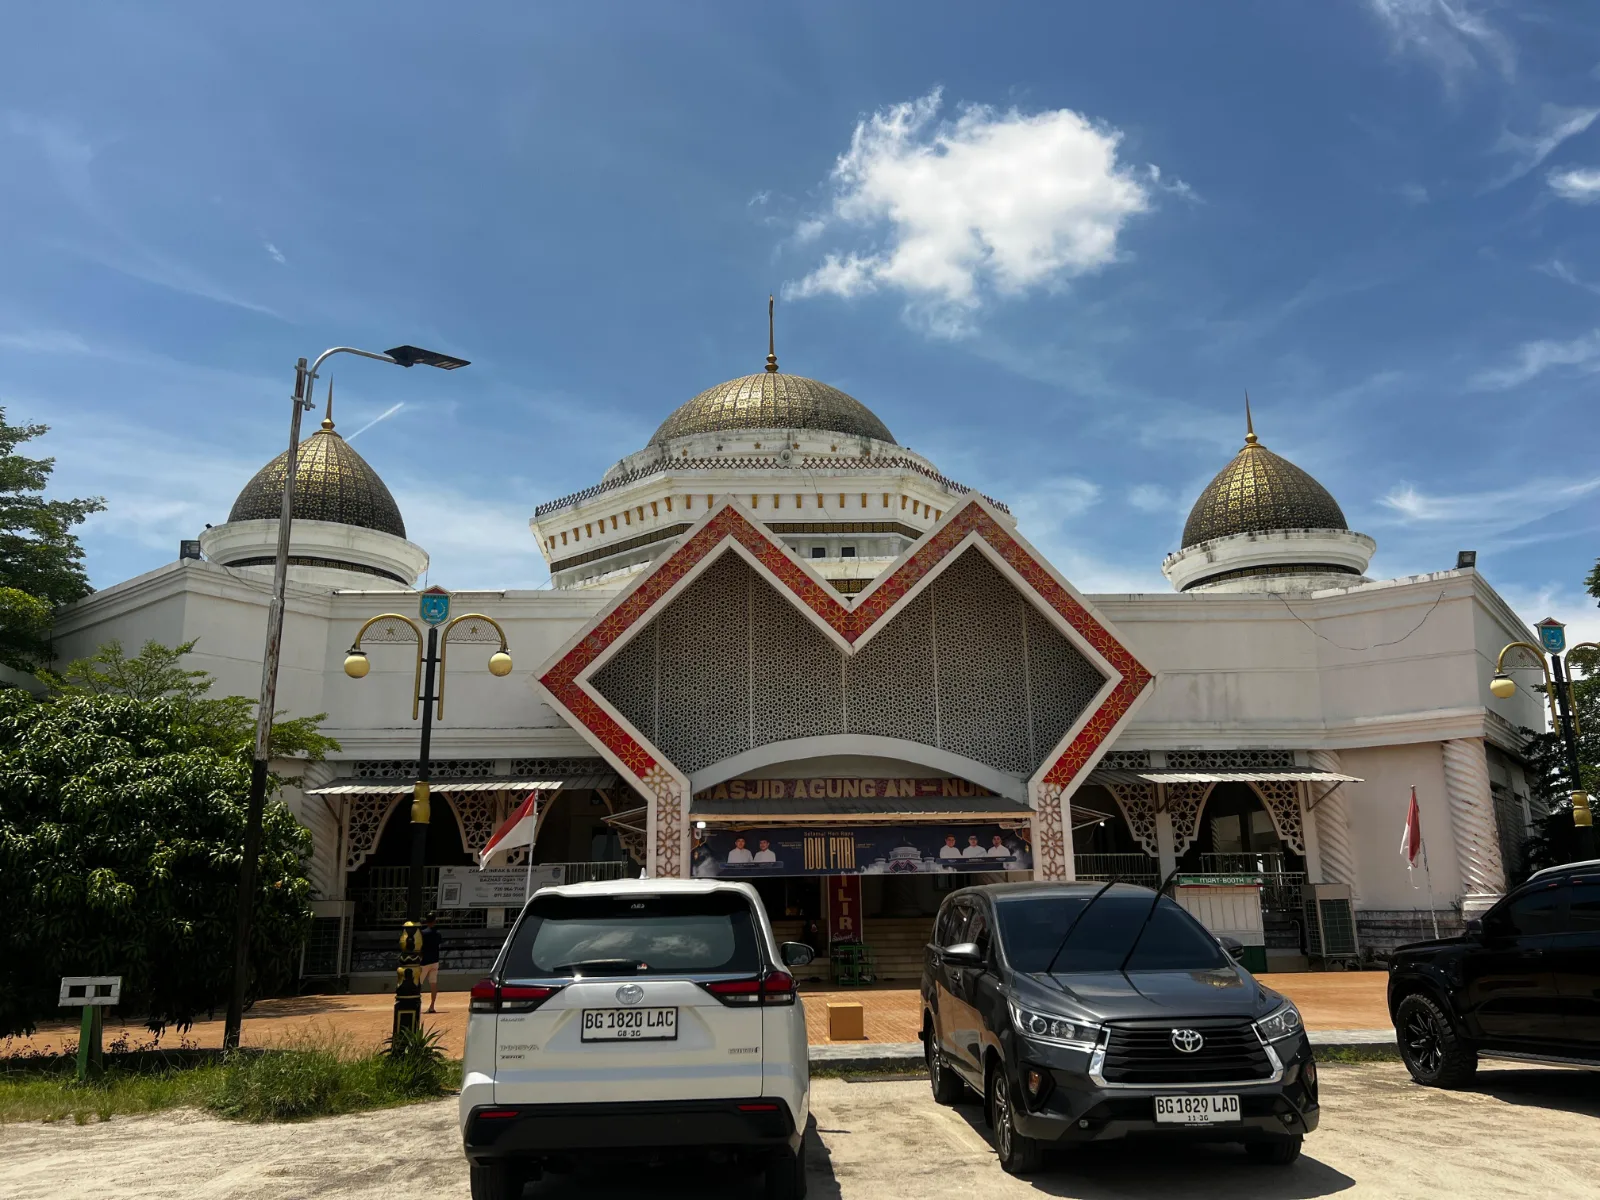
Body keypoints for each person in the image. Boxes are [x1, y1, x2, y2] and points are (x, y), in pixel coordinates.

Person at [419, 913, 442, 1014]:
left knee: (418, 983)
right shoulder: (438, 933)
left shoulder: (423, 933)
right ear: (434, 921)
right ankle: (432, 1006)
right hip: (435, 960)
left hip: (425, 961)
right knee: (433, 983)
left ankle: (416, 1004)